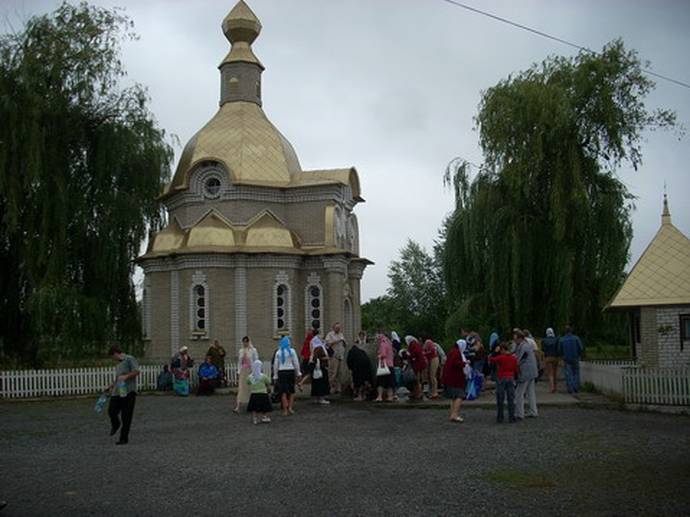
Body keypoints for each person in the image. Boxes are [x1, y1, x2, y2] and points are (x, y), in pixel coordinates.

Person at [105, 346, 140, 445]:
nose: (113, 359)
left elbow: (137, 371)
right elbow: (118, 377)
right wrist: (111, 386)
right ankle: (116, 424)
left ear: (116, 353)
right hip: (118, 390)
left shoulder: (129, 359)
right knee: (111, 411)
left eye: (112, 356)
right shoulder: (118, 364)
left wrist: (126, 376)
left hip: (129, 391)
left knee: (126, 416)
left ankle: (123, 438)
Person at [488, 342, 519, 423]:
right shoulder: (513, 358)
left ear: (502, 350)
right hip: (511, 377)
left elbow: (491, 359)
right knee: (511, 399)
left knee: (500, 398)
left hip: (501, 377)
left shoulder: (500, 357)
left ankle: (500, 417)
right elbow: (516, 369)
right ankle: (511, 417)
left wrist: (494, 352)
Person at [273, 336, 302, 416]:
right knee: (291, 391)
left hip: (281, 372)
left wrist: (275, 376)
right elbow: (296, 363)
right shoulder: (292, 351)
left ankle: (285, 410)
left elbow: (276, 365)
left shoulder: (278, 352)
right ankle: (290, 408)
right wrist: (298, 373)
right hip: (290, 371)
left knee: (283, 392)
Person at [442, 339, 469, 422]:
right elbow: (456, 364)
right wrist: (465, 363)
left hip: (449, 378)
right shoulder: (457, 353)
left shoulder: (452, 352)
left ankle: (452, 414)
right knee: (459, 396)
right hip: (456, 379)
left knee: (454, 397)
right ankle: (455, 414)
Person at [514, 330, 539, 419]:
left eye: (516, 339)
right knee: (530, 393)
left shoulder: (523, 347)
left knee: (519, 393)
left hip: (525, 373)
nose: (514, 341)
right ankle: (533, 411)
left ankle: (519, 414)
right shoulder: (527, 345)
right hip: (532, 372)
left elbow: (518, 360)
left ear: (520, 338)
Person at [235, 336, 259, 413]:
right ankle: (238, 406)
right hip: (243, 371)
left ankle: (253, 405)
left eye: (246, 341)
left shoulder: (253, 350)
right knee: (241, 388)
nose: (245, 343)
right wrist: (238, 372)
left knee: (252, 388)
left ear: (249, 342)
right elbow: (239, 362)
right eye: (244, 342)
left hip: (251, 371)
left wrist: (256, 372)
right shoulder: (241, 351)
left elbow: (256, 361)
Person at [246, 360, 273, 424]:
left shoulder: (250, 377)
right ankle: (264, 417)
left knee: (254, 407)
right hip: (263, 393)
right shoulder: (263, 376)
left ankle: (255, 418)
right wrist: (269, 389)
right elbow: (268, 383)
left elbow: (248, 383)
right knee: (264, 406)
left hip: (254, 394)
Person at [347, 335, 373, 401]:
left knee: (358, 381)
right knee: (365, 380)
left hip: (358, 366)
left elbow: (349, 362)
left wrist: (351, 369)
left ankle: (359, 396)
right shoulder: (361, 351)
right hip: (367, 364)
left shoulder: (351, 351)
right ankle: (364, 395)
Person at [559, 325, 584, 394]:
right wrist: (579, 355)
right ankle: (576, 387)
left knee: (568, 374)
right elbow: (581, 348)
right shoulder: (576, 338)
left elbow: (560, 350)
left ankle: (570, 388)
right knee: (576, 373)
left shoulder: (562, 339)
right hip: (575, 358)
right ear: (571, 331)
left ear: (565, 331)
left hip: (566, 359)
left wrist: (562, 356)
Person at [325, 322, 346, 394]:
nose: (338, 329)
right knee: (332, 372)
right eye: (337, 328)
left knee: (339, 373)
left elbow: (344, 343)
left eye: (339, 328)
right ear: (333, 328)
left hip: (340, 355)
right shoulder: (330, 334)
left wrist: (344, 342)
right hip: (333, 356)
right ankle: (329, 387)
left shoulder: (341, 334)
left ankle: (338, 388)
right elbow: (327, 344)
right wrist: (337, 340)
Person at [309, 336, 331, 405]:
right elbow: (318, 357)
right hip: (321, 368)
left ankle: (318, 398)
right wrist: (326, 358)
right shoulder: (319, 348)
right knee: (322, 383)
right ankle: (321, 398)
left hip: (318, 368)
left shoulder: (315, 348)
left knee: (317, 383)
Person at [375, 334, 395, 402]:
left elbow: (383, 354)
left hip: (384, 366)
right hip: (391, 365)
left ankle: (379, 396)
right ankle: (390, 397)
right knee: (390, 383)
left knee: (380, 382)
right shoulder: (389, 343)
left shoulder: (382, 344)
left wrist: (378, 356)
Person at [542, 328, 560, 392]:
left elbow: (543, 349)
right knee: (555, 372)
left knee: (550, 373)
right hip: (555, 357)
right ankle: (555, 387)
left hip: (548, 358)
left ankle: (552, 387)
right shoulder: (557, 339)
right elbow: (558, 349)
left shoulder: (544, 340)